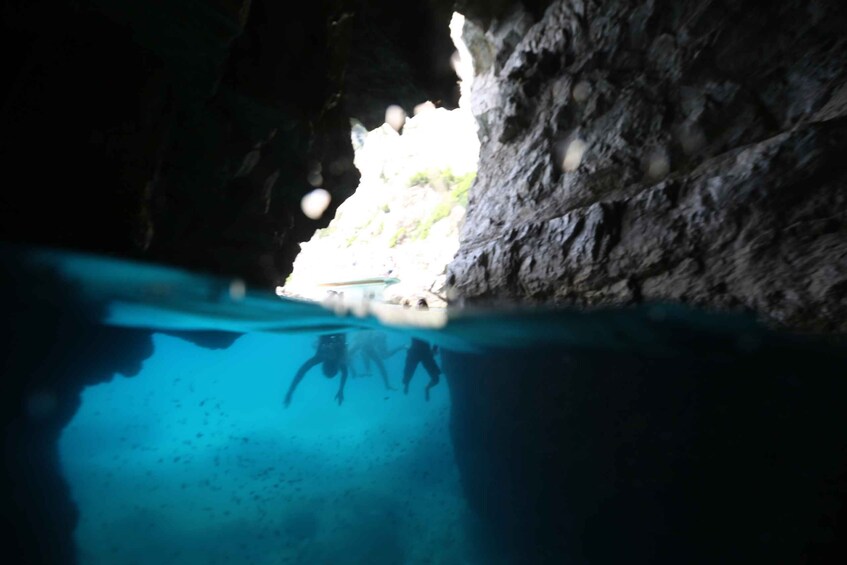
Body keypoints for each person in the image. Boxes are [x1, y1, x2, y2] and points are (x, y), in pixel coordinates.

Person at [284, 333, 348, 407]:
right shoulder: (331, 359)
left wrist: (290, 392)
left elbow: (301, 372)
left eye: (329, 354)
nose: (330, 351)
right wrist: (341, 389)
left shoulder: (321, 357)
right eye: (330, 353)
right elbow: (345, 373)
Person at [402, 299, 441, 401]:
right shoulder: (414, 319)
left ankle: (427, 388)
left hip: (425, 352)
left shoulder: (430, 320)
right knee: (407, 377)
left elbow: (437, 336)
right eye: (421, 307)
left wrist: (434, 349)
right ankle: (407, 385)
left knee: (436, 379)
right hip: (415, 351)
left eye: (424, 307)